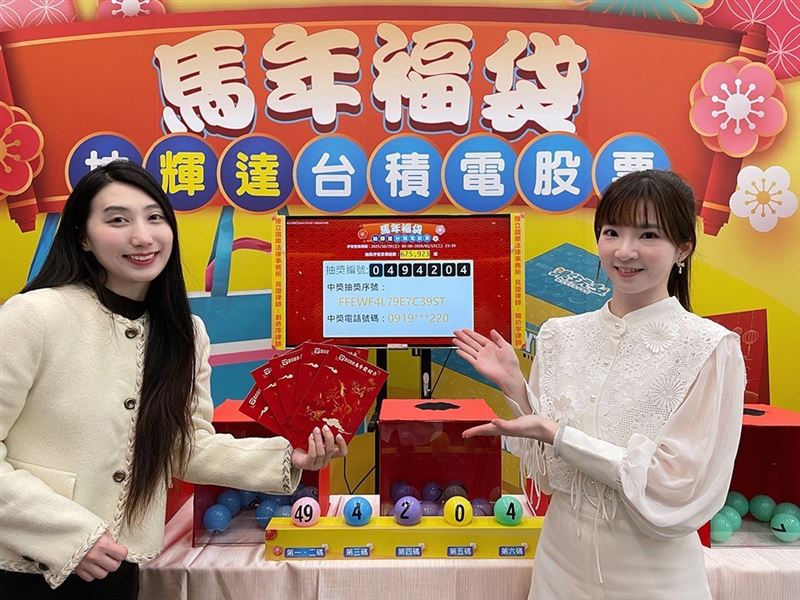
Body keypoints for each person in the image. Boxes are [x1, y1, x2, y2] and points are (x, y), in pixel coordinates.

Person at [0, 161, 347, 597]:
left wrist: (288, 457)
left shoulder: (186, 332)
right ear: (82, 236)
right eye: (118, 220)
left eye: (154, 217)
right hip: (24, 566)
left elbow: (183, 446)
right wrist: (68, 535)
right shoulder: (35, 315)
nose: (142, 237)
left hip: (118, 565)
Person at [453, 170, 745, 600]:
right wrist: (516, 388)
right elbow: (548, 474)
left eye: (648, 235)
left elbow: (679, 486)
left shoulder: (710, 348)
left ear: (683, 248)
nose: (625, 251)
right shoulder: (558, 336)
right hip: (558, 567)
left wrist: (559, 435)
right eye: (612, 232)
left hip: (655, 576)